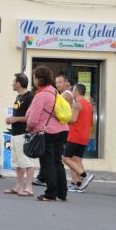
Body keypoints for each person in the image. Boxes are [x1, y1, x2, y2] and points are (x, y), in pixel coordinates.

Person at [26, 66, 70, 201]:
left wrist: (28, 128)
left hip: (48, 132)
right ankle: (62, 193)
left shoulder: (41, 95)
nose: (33, 80)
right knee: (58, 162)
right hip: (62, 130)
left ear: (39, 79)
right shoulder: (54, 92)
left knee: (47, 163)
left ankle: (50, 193)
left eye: (34, 78)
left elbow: (33, 118)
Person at [3, 73, 38, 196]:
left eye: (14, 81)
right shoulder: (18, 97)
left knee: (28, 161)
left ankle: (29, 188)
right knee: (18, 162)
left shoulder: (30, 97)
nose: (12, 84)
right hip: (16, 134)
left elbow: (32, 118)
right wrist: (11, 119)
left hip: (25, 133)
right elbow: (17, 114)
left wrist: (16, 119)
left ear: (18, 83)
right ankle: (18, 186)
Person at [63, 84, 94, 193]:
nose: (72, 91)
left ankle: (85, 175)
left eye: (73, 89)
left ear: (77, 91)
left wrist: (63, 119)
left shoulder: (77, 104)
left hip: (75, 135)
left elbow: (73, 119)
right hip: (84, 135)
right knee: (77, 160)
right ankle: (79, 184)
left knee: (66, 158)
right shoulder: (89, 105)